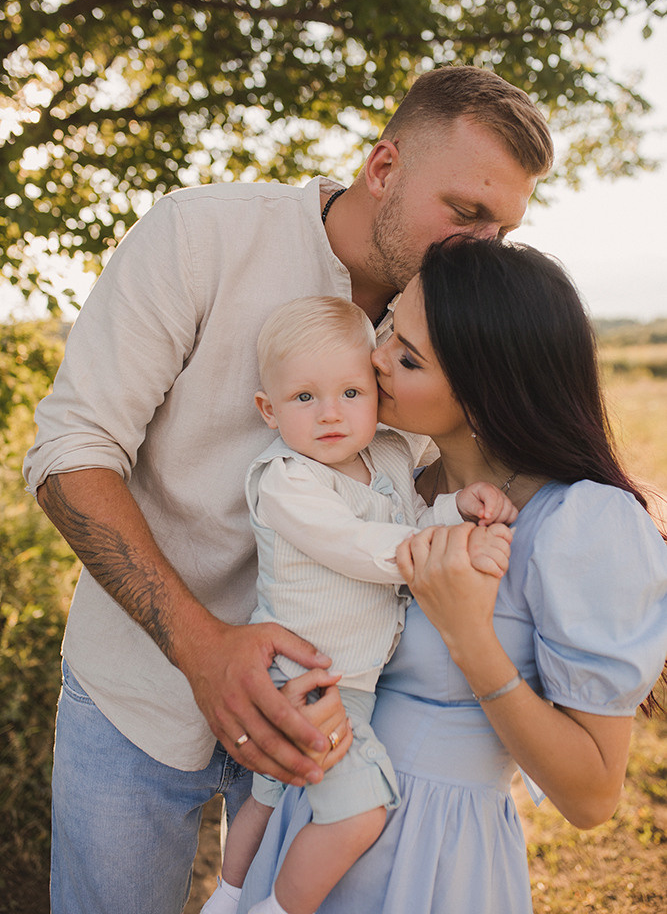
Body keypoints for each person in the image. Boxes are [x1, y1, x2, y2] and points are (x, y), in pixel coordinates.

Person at [22, 66, 554, 914]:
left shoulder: (446, 320)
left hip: (333, 710)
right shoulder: (200, 238)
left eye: (501, 227)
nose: (481, 248)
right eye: (465, 213)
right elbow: (69, 455)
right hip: (138, 688)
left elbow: (454, 464)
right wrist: (202, 650)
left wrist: (597, 490)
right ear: (383, 170)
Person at [238, 236, 667, 914]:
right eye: (386, 332)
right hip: (319, 815)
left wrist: (470, 636)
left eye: (405, 357)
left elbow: (591, 798)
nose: (374, 360)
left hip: (434, 851)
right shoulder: (394, 486)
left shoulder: (581, 523)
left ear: (481, 391)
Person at [203, 295, 516, 914]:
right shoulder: (287, 480)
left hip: (352, 675)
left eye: (351, 393)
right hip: (307, 676)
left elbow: (412, 517)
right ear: (268, 409)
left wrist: (457, 507)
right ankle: (271, 907)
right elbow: (355, 545)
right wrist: (448, 545)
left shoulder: (391, 456)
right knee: (360, 810)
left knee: (269, 795)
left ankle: (228, 895)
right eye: (303, 398)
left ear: (375, 392)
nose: (331, 415)